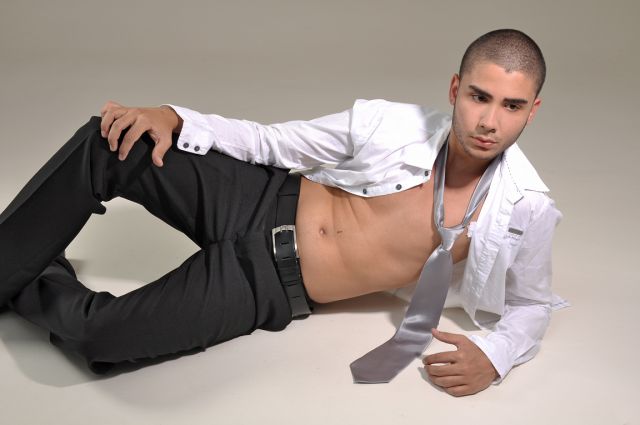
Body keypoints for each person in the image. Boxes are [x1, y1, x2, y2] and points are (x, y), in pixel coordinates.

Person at [0, 28, 561, 397]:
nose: (489, 121)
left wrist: (497, 354)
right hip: (257, 197)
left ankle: (33, 268)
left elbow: (532, 305)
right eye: (479, 97)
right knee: (114, 141)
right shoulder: (391, 124)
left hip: (267, 284)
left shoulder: (526, 208)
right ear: (456, 88)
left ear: (533, 111)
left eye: (511, 106)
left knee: (100, 339)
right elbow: (274, 142)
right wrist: (176, 116)